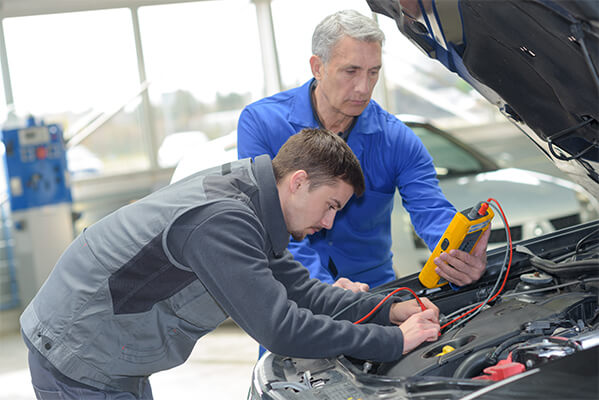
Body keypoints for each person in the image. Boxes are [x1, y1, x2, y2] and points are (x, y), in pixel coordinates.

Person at [20, 128, 440, 400]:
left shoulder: (253, 198)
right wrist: (392, 341)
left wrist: (387, 310)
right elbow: (281, 327)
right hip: (80, 355)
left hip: (106, 348)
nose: (329, 223)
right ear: (298, 182)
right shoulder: (224, 221)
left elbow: (300, 290)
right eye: (330, 206)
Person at [237, 9, 490, 295]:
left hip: (374, 299)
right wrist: (323, 287)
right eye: (351, 71)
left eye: (373, 73)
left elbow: (431, 211)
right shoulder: (261, 124)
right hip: (291, 297)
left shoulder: (398, 140)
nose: (363, 87)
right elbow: (267, 221)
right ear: (317, 67)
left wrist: (460, 255)